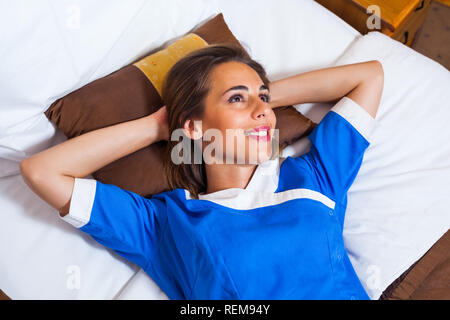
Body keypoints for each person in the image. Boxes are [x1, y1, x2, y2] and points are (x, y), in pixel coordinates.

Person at [20, 44, 384, 299]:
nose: (264, 111)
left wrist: (261, 98)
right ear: (193, 129)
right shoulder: (167, 223)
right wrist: (158, 127)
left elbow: (369, 76)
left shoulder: (315, 177)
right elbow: (41, 171)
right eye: (237, 98)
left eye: (265, 98)